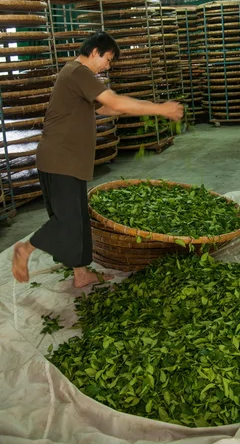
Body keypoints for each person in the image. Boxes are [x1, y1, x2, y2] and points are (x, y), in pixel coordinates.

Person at [12, 31, 183, 288]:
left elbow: (107, 107)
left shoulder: (77, 75)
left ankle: (81, 275)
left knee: (79, 220)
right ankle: (25, 248)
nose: (108, 65)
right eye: (108, 59)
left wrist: (138, 109)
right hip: (61, 159)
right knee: (67, 220)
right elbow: (113, 101)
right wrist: (160, 108)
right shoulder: (78, 72)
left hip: (69, 160)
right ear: (95, 52)